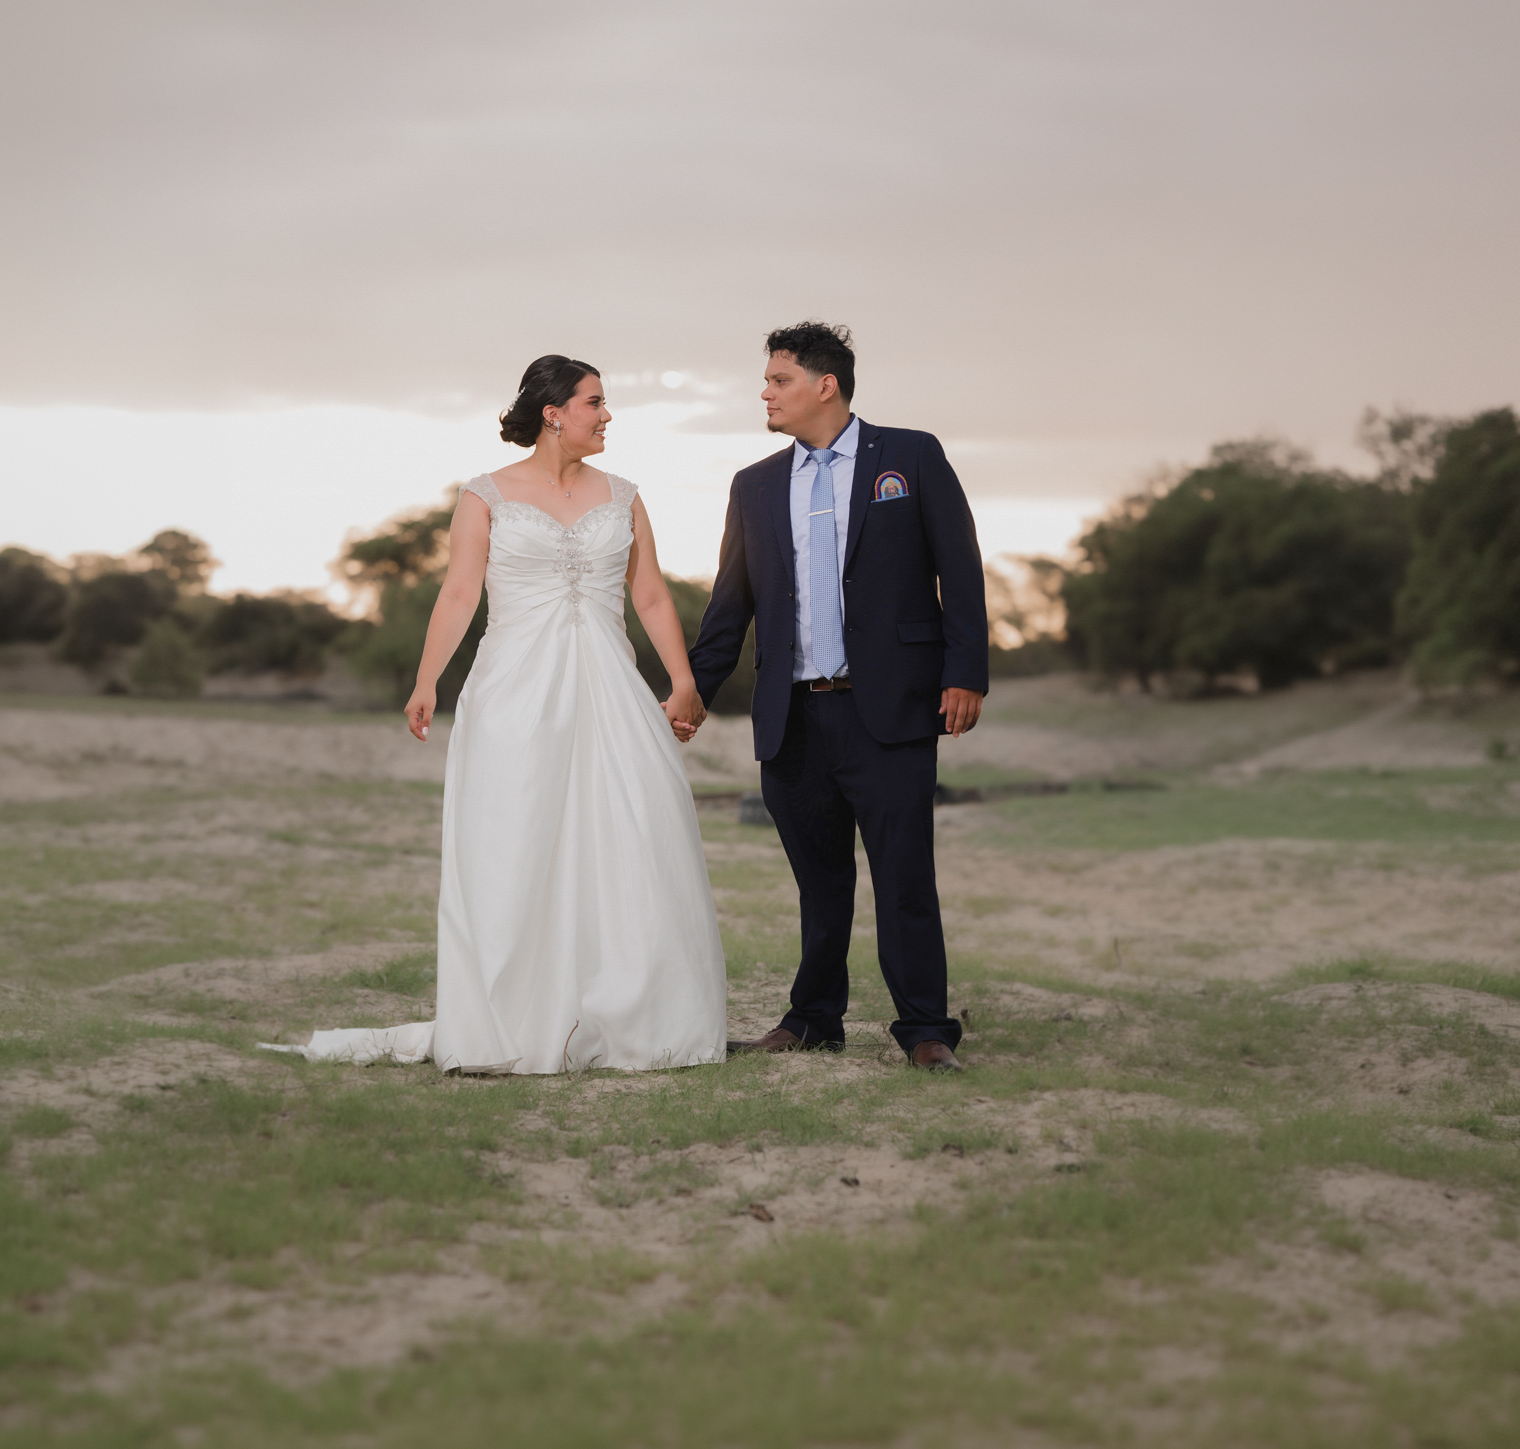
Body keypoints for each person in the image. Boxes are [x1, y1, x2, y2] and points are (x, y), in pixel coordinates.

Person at [273, 355, 728, 1074]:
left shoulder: (624, 495)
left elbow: (648, 595)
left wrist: (682, 679)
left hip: (611, 691)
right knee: (515, 840)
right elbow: (460, 593)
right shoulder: (484, 495)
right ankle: (515, 1017)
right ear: (554, 413)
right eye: (594, 402)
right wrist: (427, 680)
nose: (606, 415)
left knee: (637, 831)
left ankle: (635, 1014)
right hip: (515, 692)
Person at [685, 322, 988, 1072]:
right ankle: (814, 1018)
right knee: (819, 884)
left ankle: (925, 1030)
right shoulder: (755, 484)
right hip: (792, 716)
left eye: (779, 379)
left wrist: (966, 672)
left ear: (826, 385)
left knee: (904, 878)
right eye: (767, 380)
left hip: (889, 709)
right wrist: (690, 692)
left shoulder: (911, 455)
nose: (765, 392)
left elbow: (960, 568)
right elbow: (730, 604)